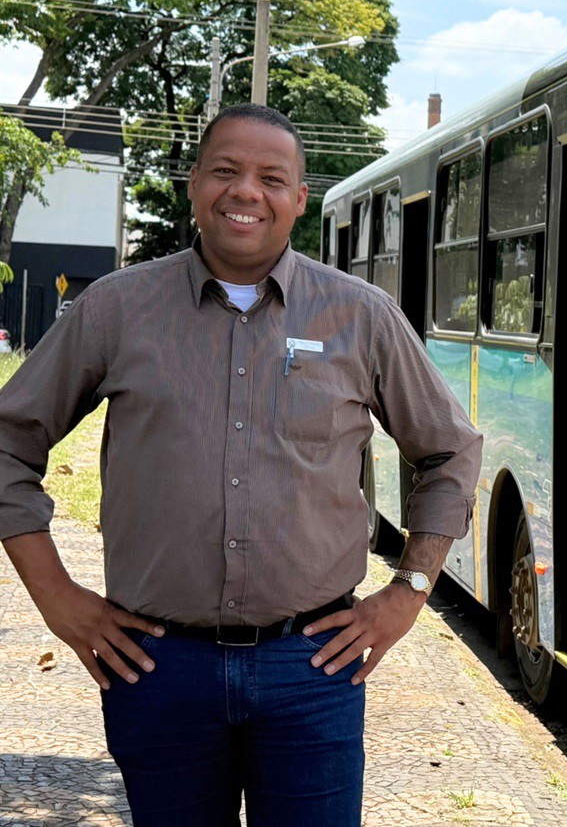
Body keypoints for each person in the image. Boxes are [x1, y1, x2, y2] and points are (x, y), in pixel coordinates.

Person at [0, 103, 482, 825]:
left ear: (298, 199)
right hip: (158, 667)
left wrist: (408, 590)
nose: (245, 191)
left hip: (313, 667)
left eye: (270, 176)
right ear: (194, 183)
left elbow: (451, 451)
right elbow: (8, 441)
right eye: (225, 170)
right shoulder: (116, 309)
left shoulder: (361, 315)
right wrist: (57, 599)